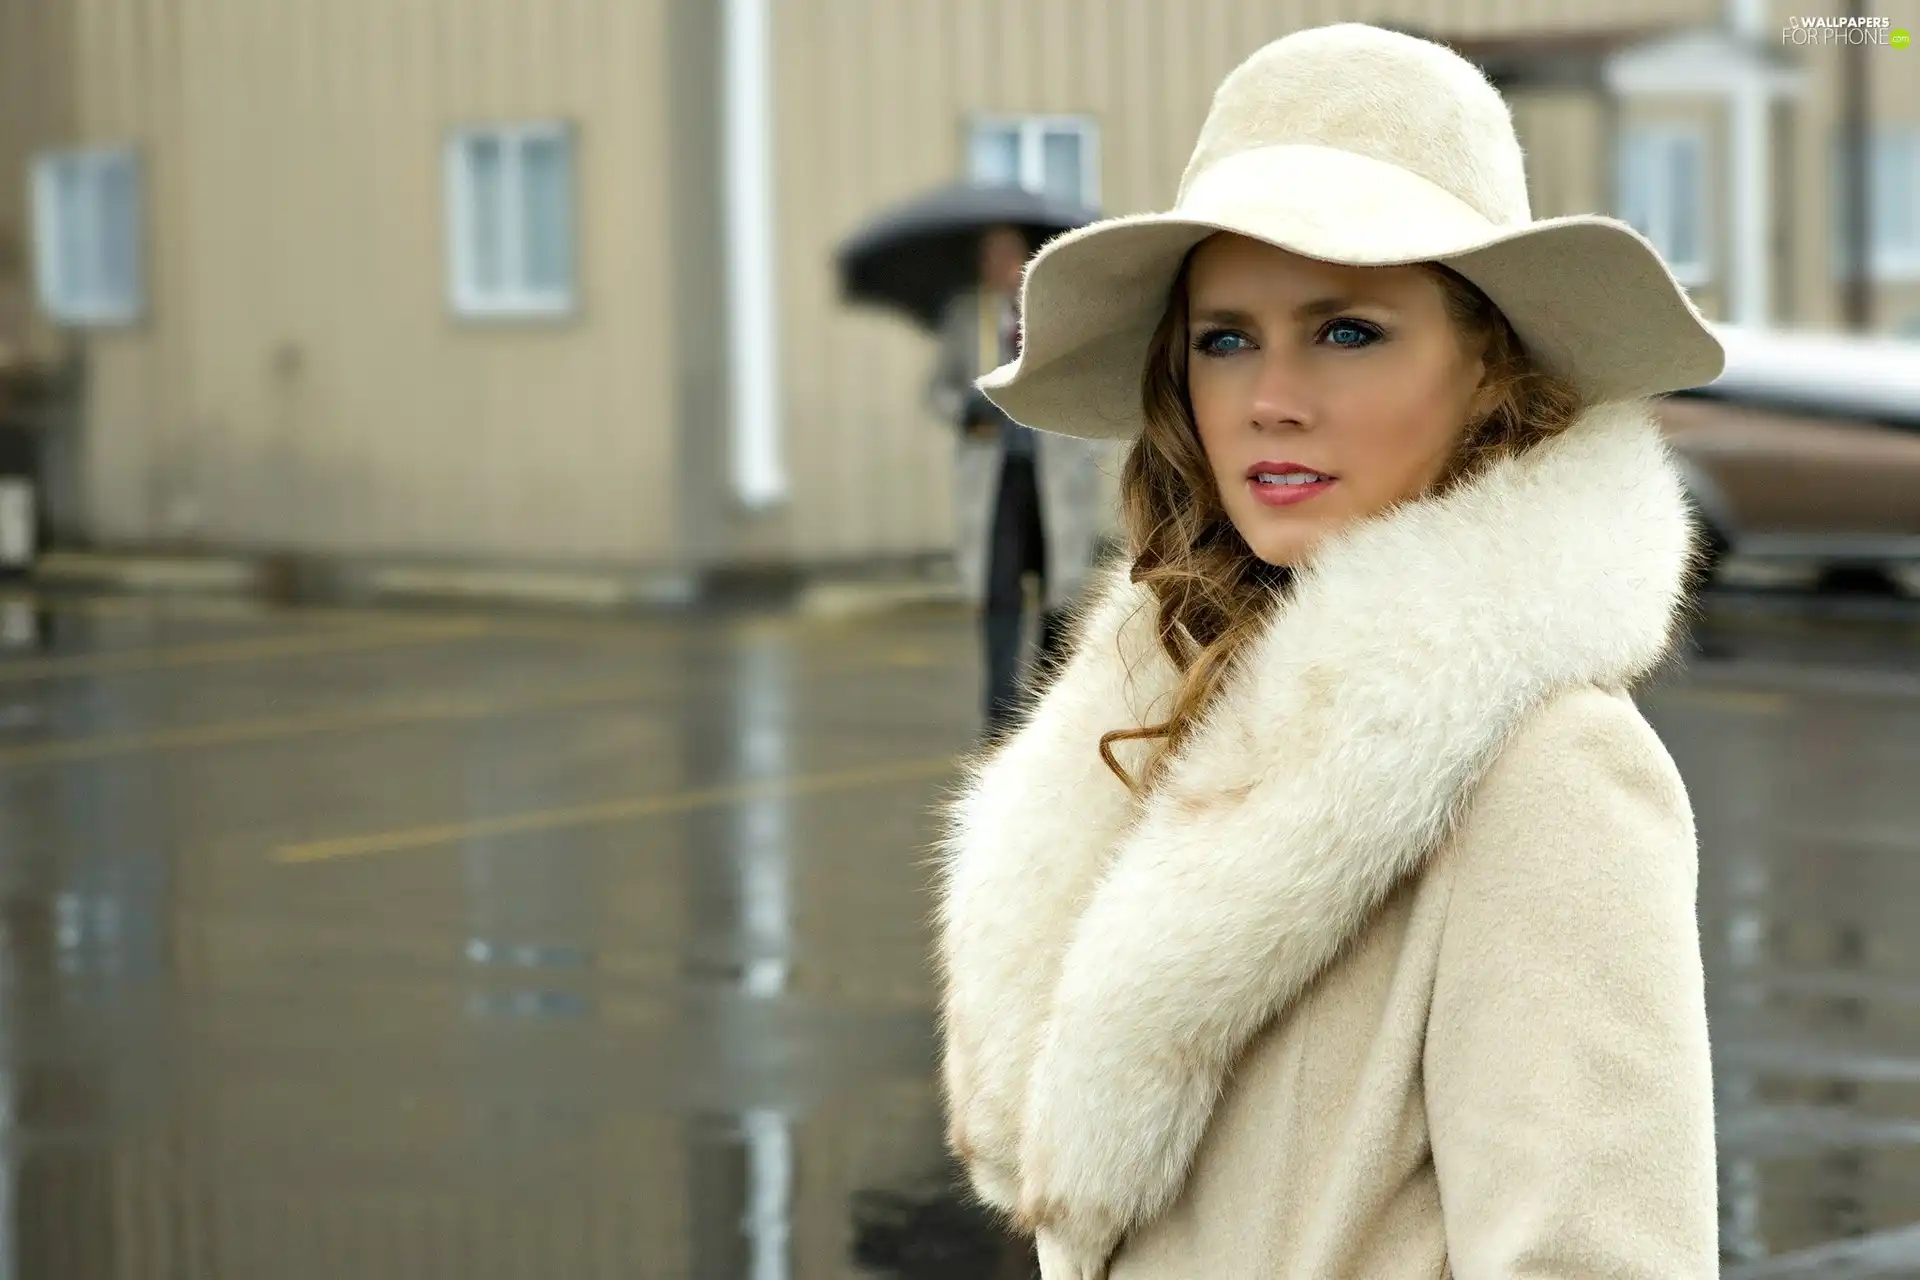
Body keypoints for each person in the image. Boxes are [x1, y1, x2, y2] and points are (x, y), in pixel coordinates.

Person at [934, 24, 1721, 1280]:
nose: (1269, 397)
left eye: (1347, 330)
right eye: (1225, 337)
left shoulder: (1551, 772)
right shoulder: (1166, 701)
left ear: (1487, 367)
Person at [930, 225, 1109, 739]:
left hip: (1054, 476)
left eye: (1012, 254)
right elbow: (937, 390)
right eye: (993, 256)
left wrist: (1087, 446)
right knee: (999, 591)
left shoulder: (1053, 315)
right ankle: (1000, 717)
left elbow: (1086, 387)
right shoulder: (967, 318)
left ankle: (1048, 709)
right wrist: (962, 411)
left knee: (1060, 592)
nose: (1003, 265)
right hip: (996, 477)